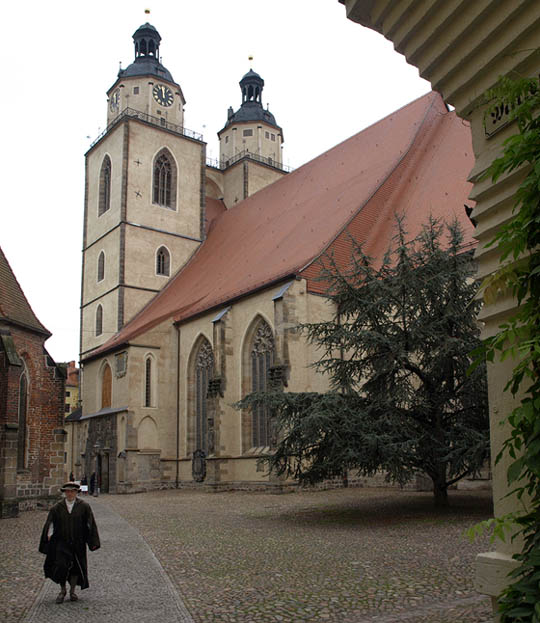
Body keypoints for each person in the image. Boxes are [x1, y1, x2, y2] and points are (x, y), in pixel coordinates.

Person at [39, 482, 100, 604]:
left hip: (78, 542)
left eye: (72, 491)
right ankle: (63, 590)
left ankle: (72, 591)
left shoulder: (84, 506)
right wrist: (49, 535)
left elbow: (90, 524)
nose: (70, 493)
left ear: (76, 492)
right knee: (61, 566)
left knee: (76, 568)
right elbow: (51, 522)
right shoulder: (57, 507)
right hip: (62, 542)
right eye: (67, 491)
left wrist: (92, 541)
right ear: (64, 493)